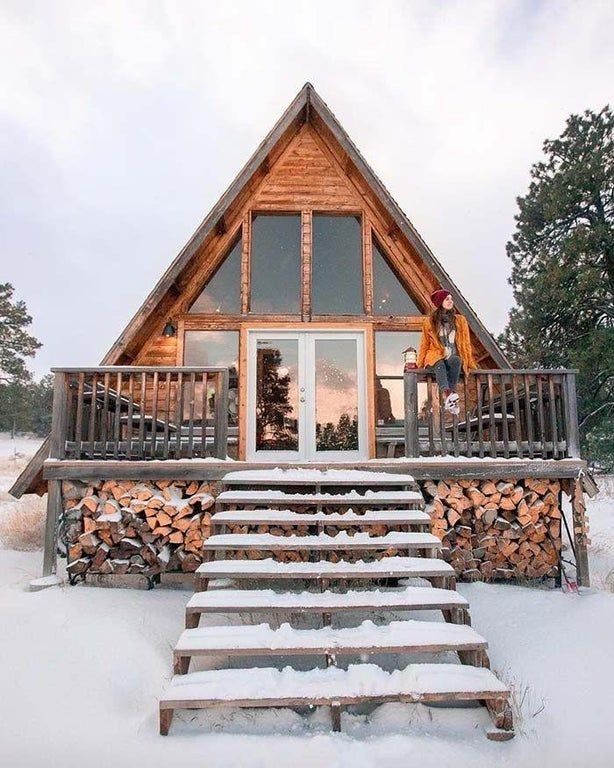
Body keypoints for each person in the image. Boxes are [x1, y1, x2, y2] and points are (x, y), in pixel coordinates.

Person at [417, 288, 477, 414]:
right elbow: (424, 344)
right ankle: (448, 394)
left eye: (451, 299)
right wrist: (420, 364)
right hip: (435, 355)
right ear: (440, 302)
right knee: (439, 363)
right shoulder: (429, 322)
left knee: (456, 360)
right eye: (447, 299)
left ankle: (450, 399)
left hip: (451, 355)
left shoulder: (460, 320)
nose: (451, 301)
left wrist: (469, 362)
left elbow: (465, 343)